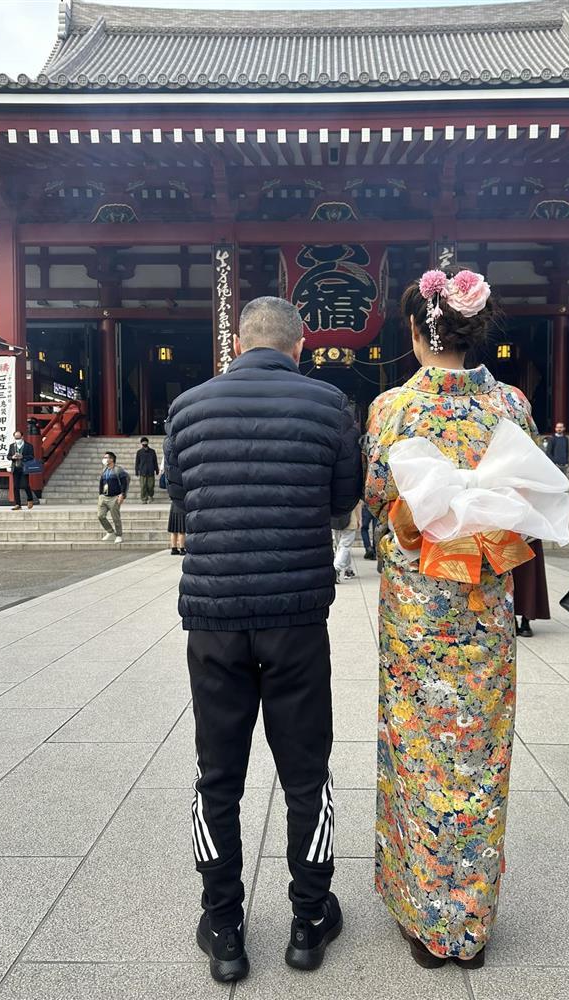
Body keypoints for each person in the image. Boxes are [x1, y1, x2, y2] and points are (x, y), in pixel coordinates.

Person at [365, 268, 569, 970]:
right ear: (473, 331)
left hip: (418, 607)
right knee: (479, 752)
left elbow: (376, 496)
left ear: (417, 331)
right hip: (486, 602)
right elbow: (530, 490)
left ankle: (427, 920)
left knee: (419, 749)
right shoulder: (510, 404)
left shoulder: (393, 408)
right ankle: (471, 925)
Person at [164, 296, 362, 984]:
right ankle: (308, 920)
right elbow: (342, 504)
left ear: (238, 343)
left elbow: (182, 500)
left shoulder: (188, 407)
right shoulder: (329, 405)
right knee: (306, 774)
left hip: (213, 615)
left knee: (216, 775)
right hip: (296, 616)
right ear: (299, 346)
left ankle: (224, 926)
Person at [513, 539, 551, 637]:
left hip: (529, 536)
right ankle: (513, 619)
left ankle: (526, 619)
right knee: (509, 575)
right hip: (506, 535)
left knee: (529, 574)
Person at [97, 451, 128, 543]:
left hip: (114, 497)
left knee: (115, 518)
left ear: (112, 459)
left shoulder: (118, 470)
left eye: (106, 457)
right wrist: (100, 494)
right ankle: (110, 531)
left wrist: (122, 494)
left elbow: (124, 483)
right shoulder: (104, 470)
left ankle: (119, 535)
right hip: (104, 497)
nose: (104, 459)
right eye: (104, 457)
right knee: (100, 516)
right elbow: (101, 483)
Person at [7, 430, 35, 511]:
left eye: (18, 437)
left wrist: (22, 457)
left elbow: (32, 457)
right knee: (16, 486)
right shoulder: (12, 446)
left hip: (24, 468)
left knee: (25, 485)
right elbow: (8, 456)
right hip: (15, 467)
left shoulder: (28, 446)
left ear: (22, 437)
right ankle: (18, 504)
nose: (17, 439)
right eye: (16, 438)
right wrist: (12, 457)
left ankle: (30, 499)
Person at [332, 504, 359, 582]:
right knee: (344, 547)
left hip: (335, 520)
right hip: (350, 520)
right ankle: (336, 568)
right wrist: (359, 519)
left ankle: (348, 569)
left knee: (340, 547)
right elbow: (358, 505)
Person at [135, 436, 159, 503]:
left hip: (151, 471)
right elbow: (137, 462)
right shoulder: (139, 452)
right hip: (142, 471)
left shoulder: (152, 451)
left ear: (147, 443)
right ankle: (144, 499)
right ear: (141, 443)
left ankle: (151, 496)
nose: (144, 443)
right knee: (143, 486)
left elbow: (155, 461)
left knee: (151, 486)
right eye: (143, 442)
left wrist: (157, 470)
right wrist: (136, 471)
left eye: (145, 442)